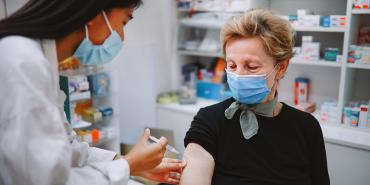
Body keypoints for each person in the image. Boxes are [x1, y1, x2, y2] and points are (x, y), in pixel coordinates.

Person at [0, 0, 185, 185]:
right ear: (95, 15)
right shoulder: (22, 61)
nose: (121, 37)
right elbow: (43, 180)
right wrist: (128, 165)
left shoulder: (41, 62)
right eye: (124, 23)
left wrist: (131, 164)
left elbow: (67, 149)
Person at [180, 9, 330, 185]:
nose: (239, 75)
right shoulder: (210, 120)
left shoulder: (306, 127)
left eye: (251, 67)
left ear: (281, 67)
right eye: (232, 65)